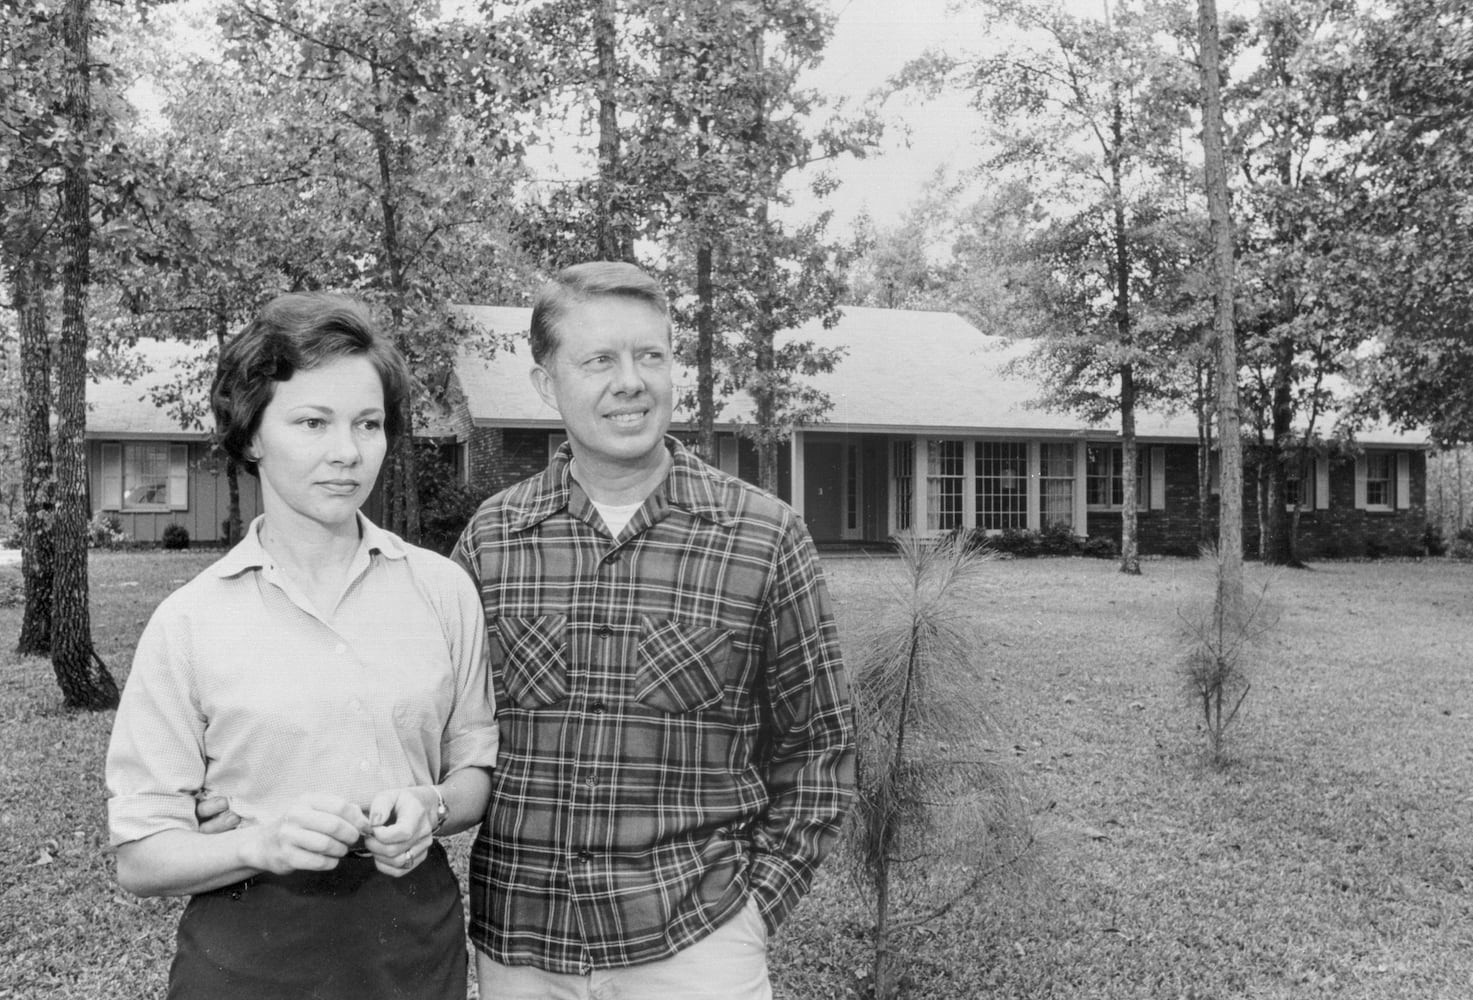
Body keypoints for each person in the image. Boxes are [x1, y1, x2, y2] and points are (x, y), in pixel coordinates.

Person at [451, 261, 856, 999]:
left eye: (651, 355)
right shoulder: (494, 537)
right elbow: (434, 721)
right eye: (598, 359)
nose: (630, 380)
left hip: (696, 944)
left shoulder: (761, 535)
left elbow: (820, 745)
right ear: (547, 385)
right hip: (522, 948)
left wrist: (756, 911)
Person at [105, 291, 498, 1000]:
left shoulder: (442, 591)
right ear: (251, 435)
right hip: (248, 960)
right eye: (312, 422)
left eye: (368, 424)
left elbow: (474, 772)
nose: (345, 453)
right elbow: (140, 855)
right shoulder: (189, 622)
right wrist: (260, 843)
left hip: (412, 952)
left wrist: (431, 806)